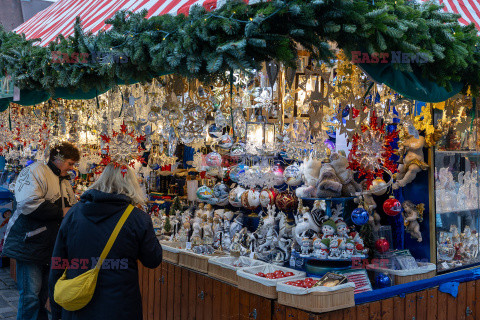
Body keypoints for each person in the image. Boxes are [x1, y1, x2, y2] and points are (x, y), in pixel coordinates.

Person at [49, 163, 163, 320]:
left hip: (77, 308)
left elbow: (57, 264)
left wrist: (56, 313)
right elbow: (153, 260)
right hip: (120, 308)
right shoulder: (137, 218)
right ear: (132, 184)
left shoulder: (74, 213)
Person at [1, 142, 80, 320]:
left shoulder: (64, 179)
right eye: (70, 163)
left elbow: (71, 206)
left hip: (49, 245)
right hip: (28, 243)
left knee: (42, 295)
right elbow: (29, 203)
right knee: (30, 296)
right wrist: (62, 212)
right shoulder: (35, 171)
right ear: (58, 159)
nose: (72, 168)